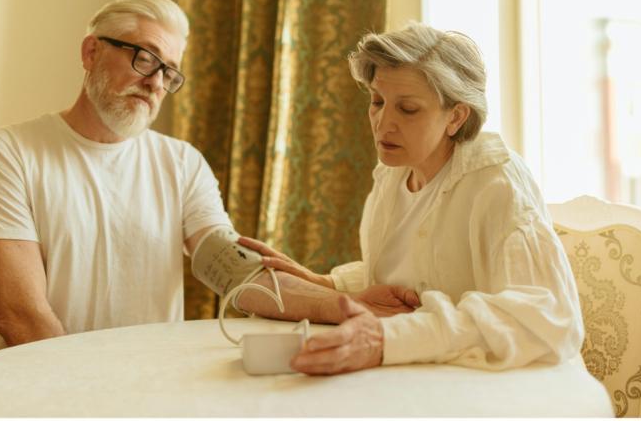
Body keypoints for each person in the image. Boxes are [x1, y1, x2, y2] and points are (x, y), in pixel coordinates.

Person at [0, 0, 418, 351]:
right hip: (49, 390)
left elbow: (234, 271)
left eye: (170, 72)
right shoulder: (8, 153)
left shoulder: (181, 162)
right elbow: (21, 315)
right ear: (91, 52)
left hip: (153, 388)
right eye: (144, 58)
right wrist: (82, 395)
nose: (156, 82)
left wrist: (344, 304)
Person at [239, 23, 584, 375]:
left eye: (408, 109)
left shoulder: (497, 183)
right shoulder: (394, 172)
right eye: (377, 101)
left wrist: (387, 339)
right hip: (421, 378)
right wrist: (328, 284)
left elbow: (549, 319)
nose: (383, 123)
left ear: (456, 116)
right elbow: (421, 279)